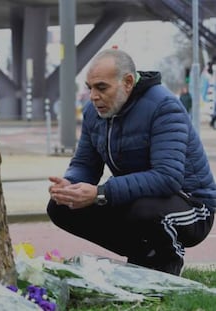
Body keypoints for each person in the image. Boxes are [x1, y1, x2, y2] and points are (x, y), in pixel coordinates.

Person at [47, 49, 216, 276]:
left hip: (193, 206)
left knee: (144, 210)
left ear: (127, 82)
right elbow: (85, 164)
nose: (93, 96)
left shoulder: (164, 106)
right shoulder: (93, 113)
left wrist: (100, 192)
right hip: (137, 199)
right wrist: (70, 185)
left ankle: (167, 262)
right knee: (61, 208)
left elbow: (168, 178)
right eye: (90, 88)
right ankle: (143, 255)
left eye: (101, 87)